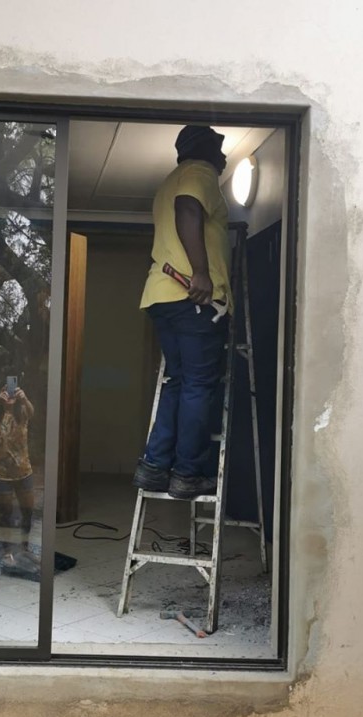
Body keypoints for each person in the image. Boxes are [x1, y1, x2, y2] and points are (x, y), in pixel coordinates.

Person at [133, 125, 231, 499]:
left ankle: (155, 466)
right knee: (198, 385)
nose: (224, 157)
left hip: (164, 296)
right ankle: (187, 473)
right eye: (219, 149)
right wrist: (202, 272)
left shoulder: (167, 183)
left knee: (178, 380)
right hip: (194, 297)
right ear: (204, 149)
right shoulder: (199, 172)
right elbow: (188, 208)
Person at [0, 383, 36, 533]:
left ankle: (25, 543)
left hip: (23, 471)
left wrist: (24, 399)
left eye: (12, 391)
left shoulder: (22, 414)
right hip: (0, 473)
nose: (10, 394)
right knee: (4, 515)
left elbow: (31, 412)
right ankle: (6, 546)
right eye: (5, 391)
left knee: (27, 513)